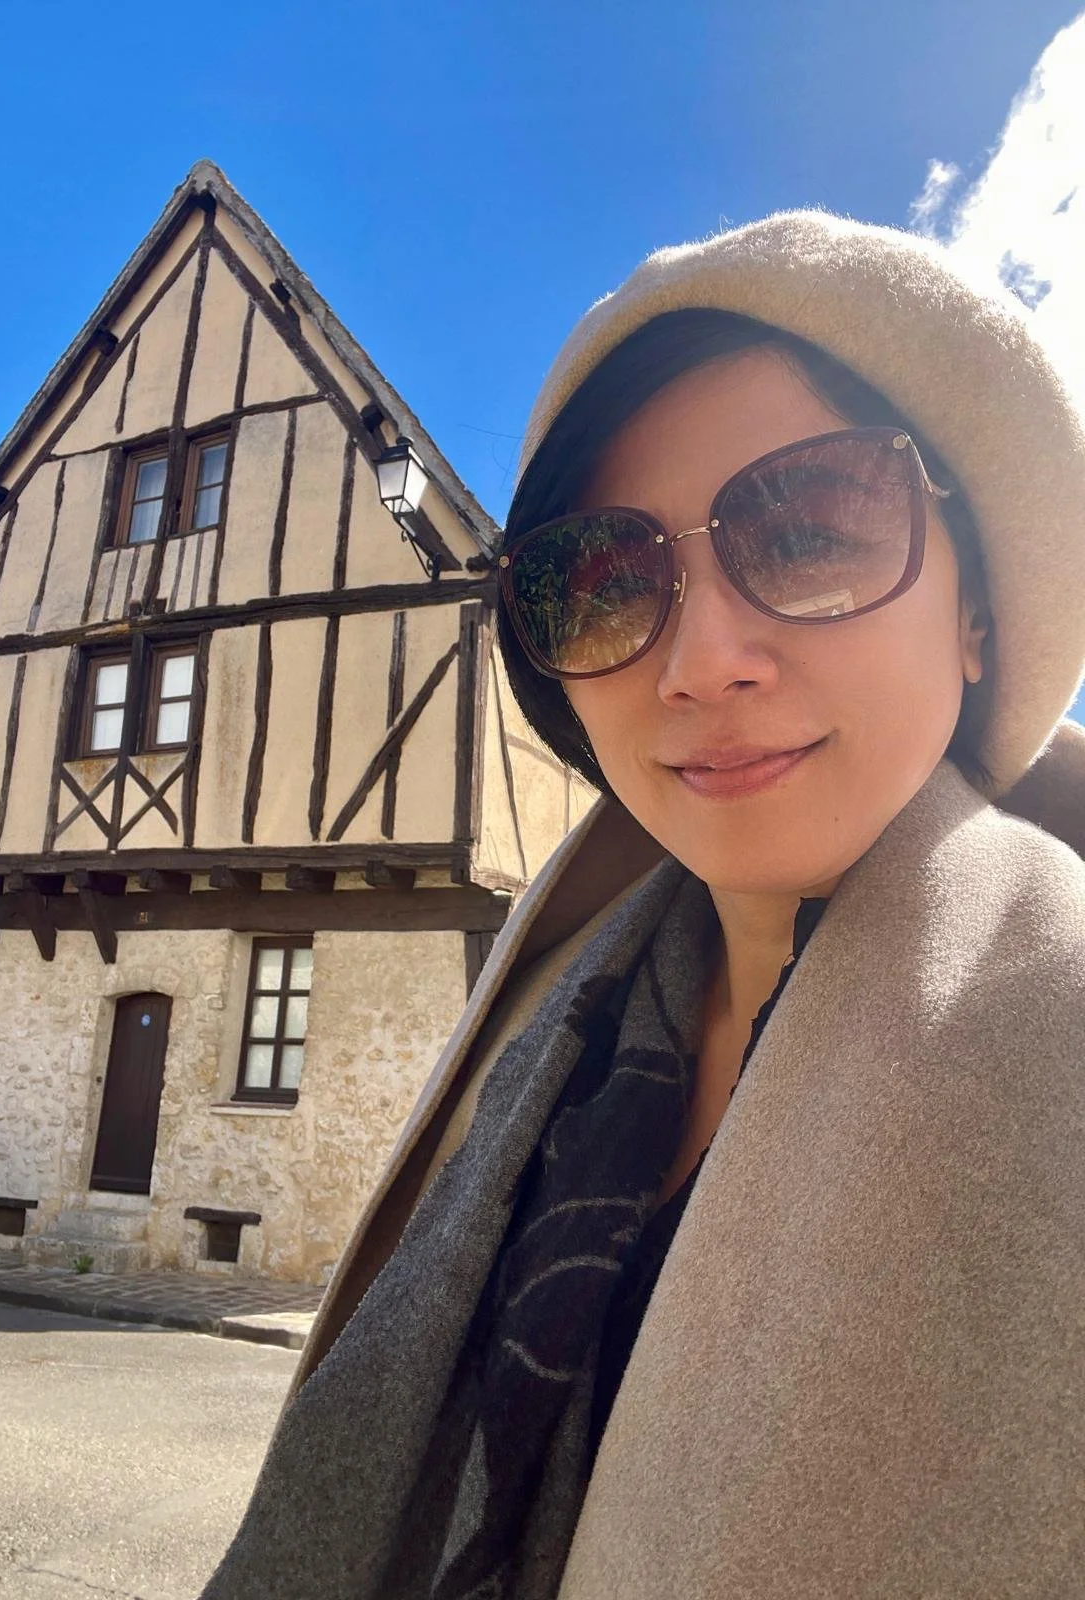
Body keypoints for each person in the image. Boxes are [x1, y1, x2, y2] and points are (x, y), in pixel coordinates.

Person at [201, 212, 1085, 1599]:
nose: (700, 661)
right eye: (606, 584)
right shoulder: (552, 1025)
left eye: (811, 529)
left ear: (978, 611)